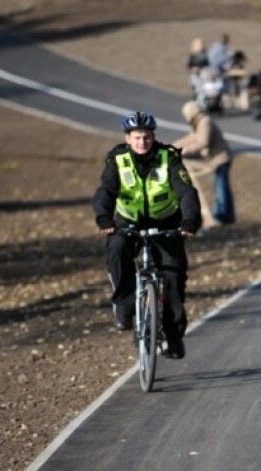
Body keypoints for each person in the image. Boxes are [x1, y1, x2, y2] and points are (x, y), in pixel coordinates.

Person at [92, 112, 201, 359]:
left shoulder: (168, 158)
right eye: (138, 137)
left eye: (147, 137)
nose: (143, 142)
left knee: (174, 277)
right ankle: (125, 307)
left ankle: (173, 336)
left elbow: (186, 192)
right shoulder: (117, 160)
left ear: (153, 137)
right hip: (127, 223)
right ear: (128, 138)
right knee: (116, 249)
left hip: (166, 224)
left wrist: (189, 222)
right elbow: (105, 192)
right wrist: (105, 219)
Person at [173, 101, 235, 227]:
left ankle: (221, 216)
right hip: (217, 159)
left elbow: (202, 142)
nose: (186, 119)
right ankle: (227, 217)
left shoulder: (205, 122)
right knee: (222, 187)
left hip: (221, 159)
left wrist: (184, 151)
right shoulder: (199, 124)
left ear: (192, 114)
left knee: (221, 188)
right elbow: (191, 138)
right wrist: (174, 146)